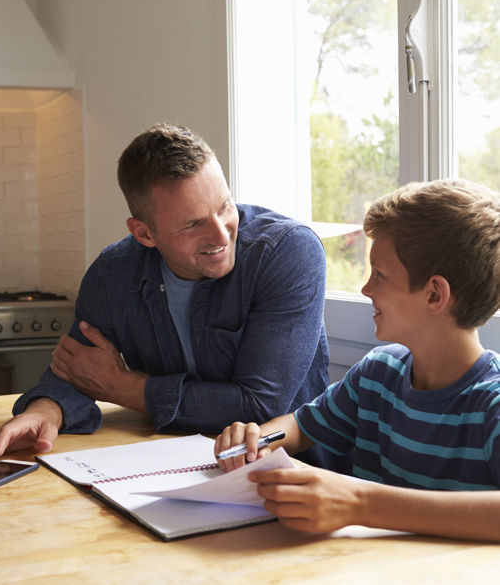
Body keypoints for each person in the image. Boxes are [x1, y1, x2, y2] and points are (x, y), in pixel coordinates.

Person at [0, 122, 332, 469]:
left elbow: (260, 406)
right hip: (162, 467)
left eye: (224, 207)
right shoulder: (112, 273)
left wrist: (123, 388)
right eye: (193, 224)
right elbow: (76, 369)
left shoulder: (288, 253)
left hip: (290, 472)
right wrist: (44, 411)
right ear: (143, 233)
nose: (222, 235)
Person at [214, 179, 500, 542]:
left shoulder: (491, 404)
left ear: (434, 294)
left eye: (379, 274)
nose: (366, 289)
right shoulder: (378, 374)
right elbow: (302, 427)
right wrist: (260, 439)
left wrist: (360, 503)